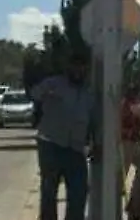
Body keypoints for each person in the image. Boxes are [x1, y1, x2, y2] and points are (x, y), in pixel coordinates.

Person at [31, 49, 97, 220]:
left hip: (75, 149)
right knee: (49, 191)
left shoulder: (89, 93)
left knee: (79, 192)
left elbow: (94, 121)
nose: (78, 70)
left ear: (86, 70)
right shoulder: (54, 83)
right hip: (50, 144)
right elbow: (35, 93)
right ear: (68, 67)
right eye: (74, 66)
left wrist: (95, 143)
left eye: (82, 67)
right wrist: (46, 93)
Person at [121, 84, 140, 183]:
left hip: (135, 143)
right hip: (127, 143)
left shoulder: (136, 105)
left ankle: (138, 186)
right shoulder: (125, 105)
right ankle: (118, 192)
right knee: (123, 172)